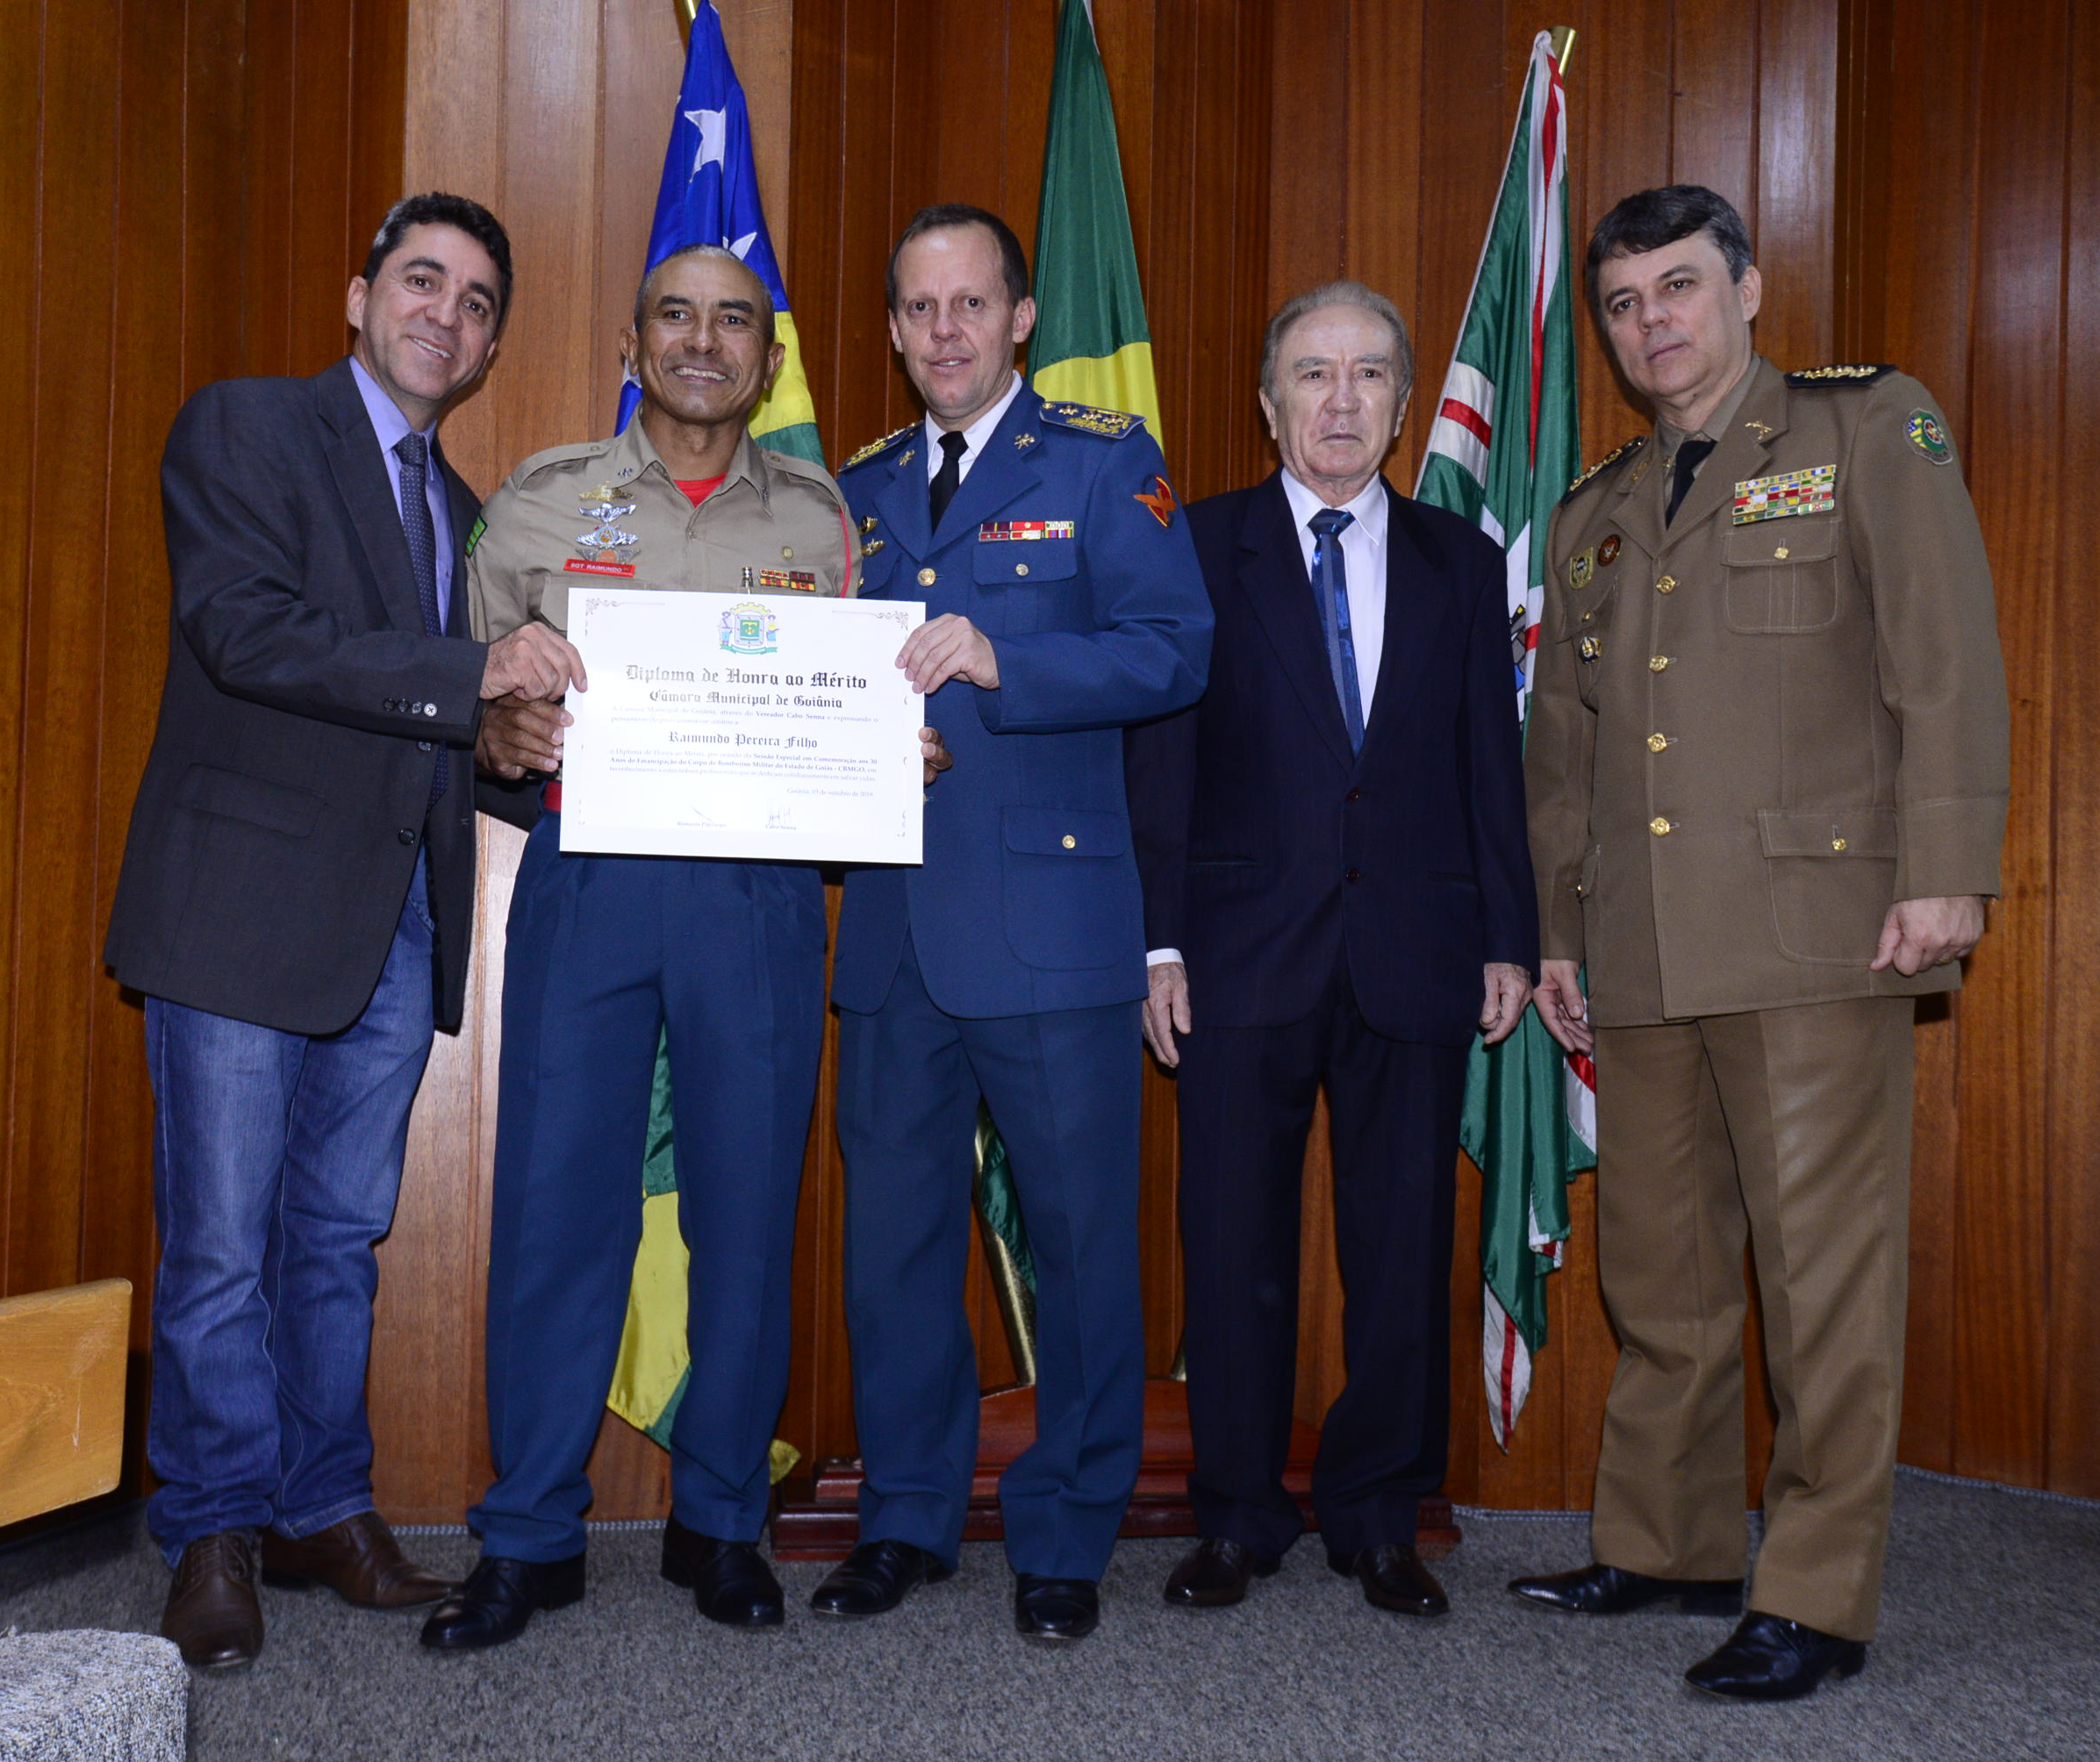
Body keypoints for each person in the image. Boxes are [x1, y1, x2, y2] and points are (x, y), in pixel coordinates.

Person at [1509, 184, 2009, 1701]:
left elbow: (1946, 656)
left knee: (1819, 1286)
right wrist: (1558, 930)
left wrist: (1950, 871)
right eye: (1623, 302)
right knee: (1661, 1278)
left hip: (1815, 934)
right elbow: (1564, 750)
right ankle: (1669, 1545)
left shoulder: (1866, 430)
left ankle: (1815, 1596)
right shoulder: (1594, 513)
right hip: (1644, 948)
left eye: (1678, 286)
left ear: (1745, 289)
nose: (1651, 321)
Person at [418, 245, 876, 1651]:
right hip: (589, 882)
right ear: (634, 345)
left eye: (734, 321)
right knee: (557, 1210)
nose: (703, 341)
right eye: (676, 315)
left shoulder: (823, 518)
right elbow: (466, 708)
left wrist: (880, 751)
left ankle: (721, 1521)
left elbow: (846, 711)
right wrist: (495, 734)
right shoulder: (540, 502)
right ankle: (529, 1535)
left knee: (745, 1212)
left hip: (756, 899)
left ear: (767, 362)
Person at [104, 192, 520, 1670]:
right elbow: (247, 629)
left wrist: (577, 752)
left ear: (489, 349)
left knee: (339, 1240)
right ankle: (213, 1526)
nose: (445, 316)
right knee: (222, 1244)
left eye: (477, 303)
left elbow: (459, 725)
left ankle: (320, 1506)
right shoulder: (248, 428)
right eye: (423, 281)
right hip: (239, 908)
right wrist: (478, 679)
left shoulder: (467, 513)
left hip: (396, 923)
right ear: (358, 296)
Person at [813, 204, 1211, 1644]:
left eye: (971, 304)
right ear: (894, 327)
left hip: (1051, 926)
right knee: (894, 1252)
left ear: (1022, 317)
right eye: (919, 309)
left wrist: (1006, 658)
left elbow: (1176, 651)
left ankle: (1064, 1533)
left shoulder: (1104, 463)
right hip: (893, 937)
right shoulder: (855, 491)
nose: (945, 332)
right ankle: (906, 1518)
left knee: (1082, 1247)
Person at [1125, 283, 1536, 1621]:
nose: (1341, 400)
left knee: (1402, 1252)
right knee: (1232, 1248)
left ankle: (1378, 1516)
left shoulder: (1461, 563)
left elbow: (1491, 762)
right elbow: (1162, 763)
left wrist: (1510, 935)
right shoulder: (1200, 547)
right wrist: (1159, 941)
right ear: (1269, 403)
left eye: (1368, 376)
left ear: (1406, 406)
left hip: (1415, 950)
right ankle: (1238, 1518)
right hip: (1237, 954)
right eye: (1313, 374)